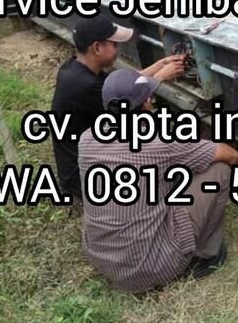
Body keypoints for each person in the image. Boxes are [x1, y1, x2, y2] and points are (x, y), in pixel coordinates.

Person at [78, 68, 238, 292]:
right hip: (152, 268)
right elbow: (231, 155)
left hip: (103, 260)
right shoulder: (160, 142)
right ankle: (202, 255)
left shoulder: (86, 139)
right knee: (219, 170)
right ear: (146, 102)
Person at [51, 15, 185, 198]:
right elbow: (133, 99)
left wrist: (159, 65)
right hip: (86, 179)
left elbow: (127, 85)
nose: (118, 49)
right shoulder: (87, 86)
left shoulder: (74, 68)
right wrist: (160, 77)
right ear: (97, 48)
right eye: (114, 44)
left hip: (86, 159)